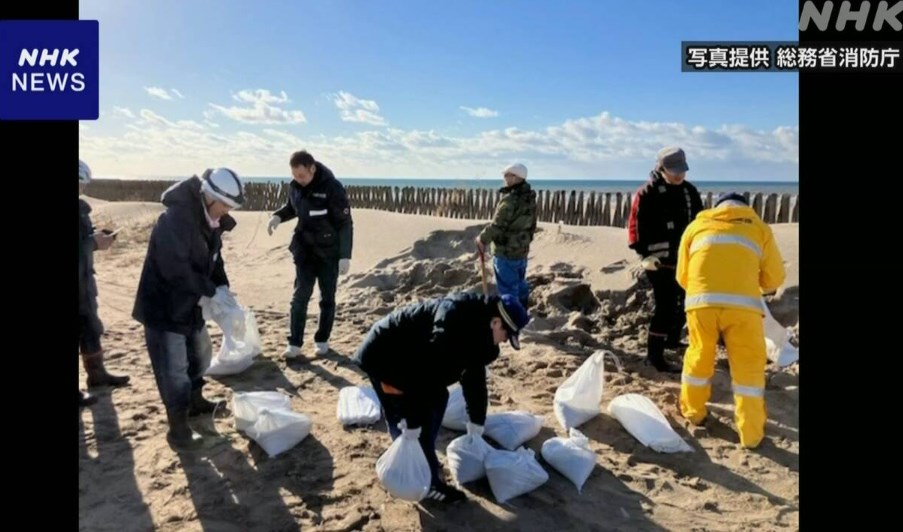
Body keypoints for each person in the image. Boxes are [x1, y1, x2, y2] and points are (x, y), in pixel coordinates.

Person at [353, 292, 530, 503]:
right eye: (506, 335)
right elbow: (423, 372)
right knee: (411, 419)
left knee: (434, 401)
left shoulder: (480, 333)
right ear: (495, 322)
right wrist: (412, 419)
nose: (504, 341)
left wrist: (476, 420)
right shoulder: (451, 321)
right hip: (386, 354)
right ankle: (422, 480)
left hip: (411, 360)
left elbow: (473, 376)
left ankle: (418, 463)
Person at [132, 167, 244, 450]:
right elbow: (175, 269)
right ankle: (178, 429)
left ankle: (196, 402)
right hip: (164, 308)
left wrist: (222, 288)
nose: (226, 211)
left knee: (200, 354)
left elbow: (214, 260)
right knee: (174, 369)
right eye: (225, 205)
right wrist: (208, 291)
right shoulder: (176, 219)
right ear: (209, 196)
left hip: (191, 304)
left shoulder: (211, 222)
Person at [676, 192, 785, 448]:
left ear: (717, 208)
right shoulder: (759, 228)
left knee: (699, 354)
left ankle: (694, 412)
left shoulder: (696, 226)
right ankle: (751, 435)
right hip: (743, 308)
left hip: (701, 304)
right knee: (748, 367)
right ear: (745, 209)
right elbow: (774, 279)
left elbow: (683, 275)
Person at [267, 150, 354, 359]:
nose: (299, 180)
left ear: (312, 168)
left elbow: (345, 223)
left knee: (327, 298)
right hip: (304, 251)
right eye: (295, 176)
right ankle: (294, 344)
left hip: (329, 253)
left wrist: (345, 255)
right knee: (300, 297)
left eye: (302, 176)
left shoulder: (333, 188)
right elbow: (292, 208)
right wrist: (278, 216)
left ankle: (322, 340)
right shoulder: (295, 186)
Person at [627, 147, 704, 373]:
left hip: (686, 258)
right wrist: (644, 254)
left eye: (682, 170)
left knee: (684, 304)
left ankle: (672, 339)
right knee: (665, 305)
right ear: (661, 169)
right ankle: (655, 355)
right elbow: (635, 227)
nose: (679, 175)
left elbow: (700, 222)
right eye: (673, 171)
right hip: (657, 261)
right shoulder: (647, 192)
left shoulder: (690, 192)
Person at [79, 159, 130, 408]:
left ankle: (97, 376)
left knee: (90, 327)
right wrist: (92, 243)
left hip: (83, 282)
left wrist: (98, 236)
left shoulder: (80, 209)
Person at [475, 163, 538, 309]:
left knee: (507, 289)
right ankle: (523, 310)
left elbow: (498, 225)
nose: (504, 178)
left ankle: (513, 316)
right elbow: (532, 224)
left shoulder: (510, 199)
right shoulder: (529, 197)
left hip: (506, 251)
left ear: (515, 178)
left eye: (507, 175)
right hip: (521, 249)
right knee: (520, 283)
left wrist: (482, 239)